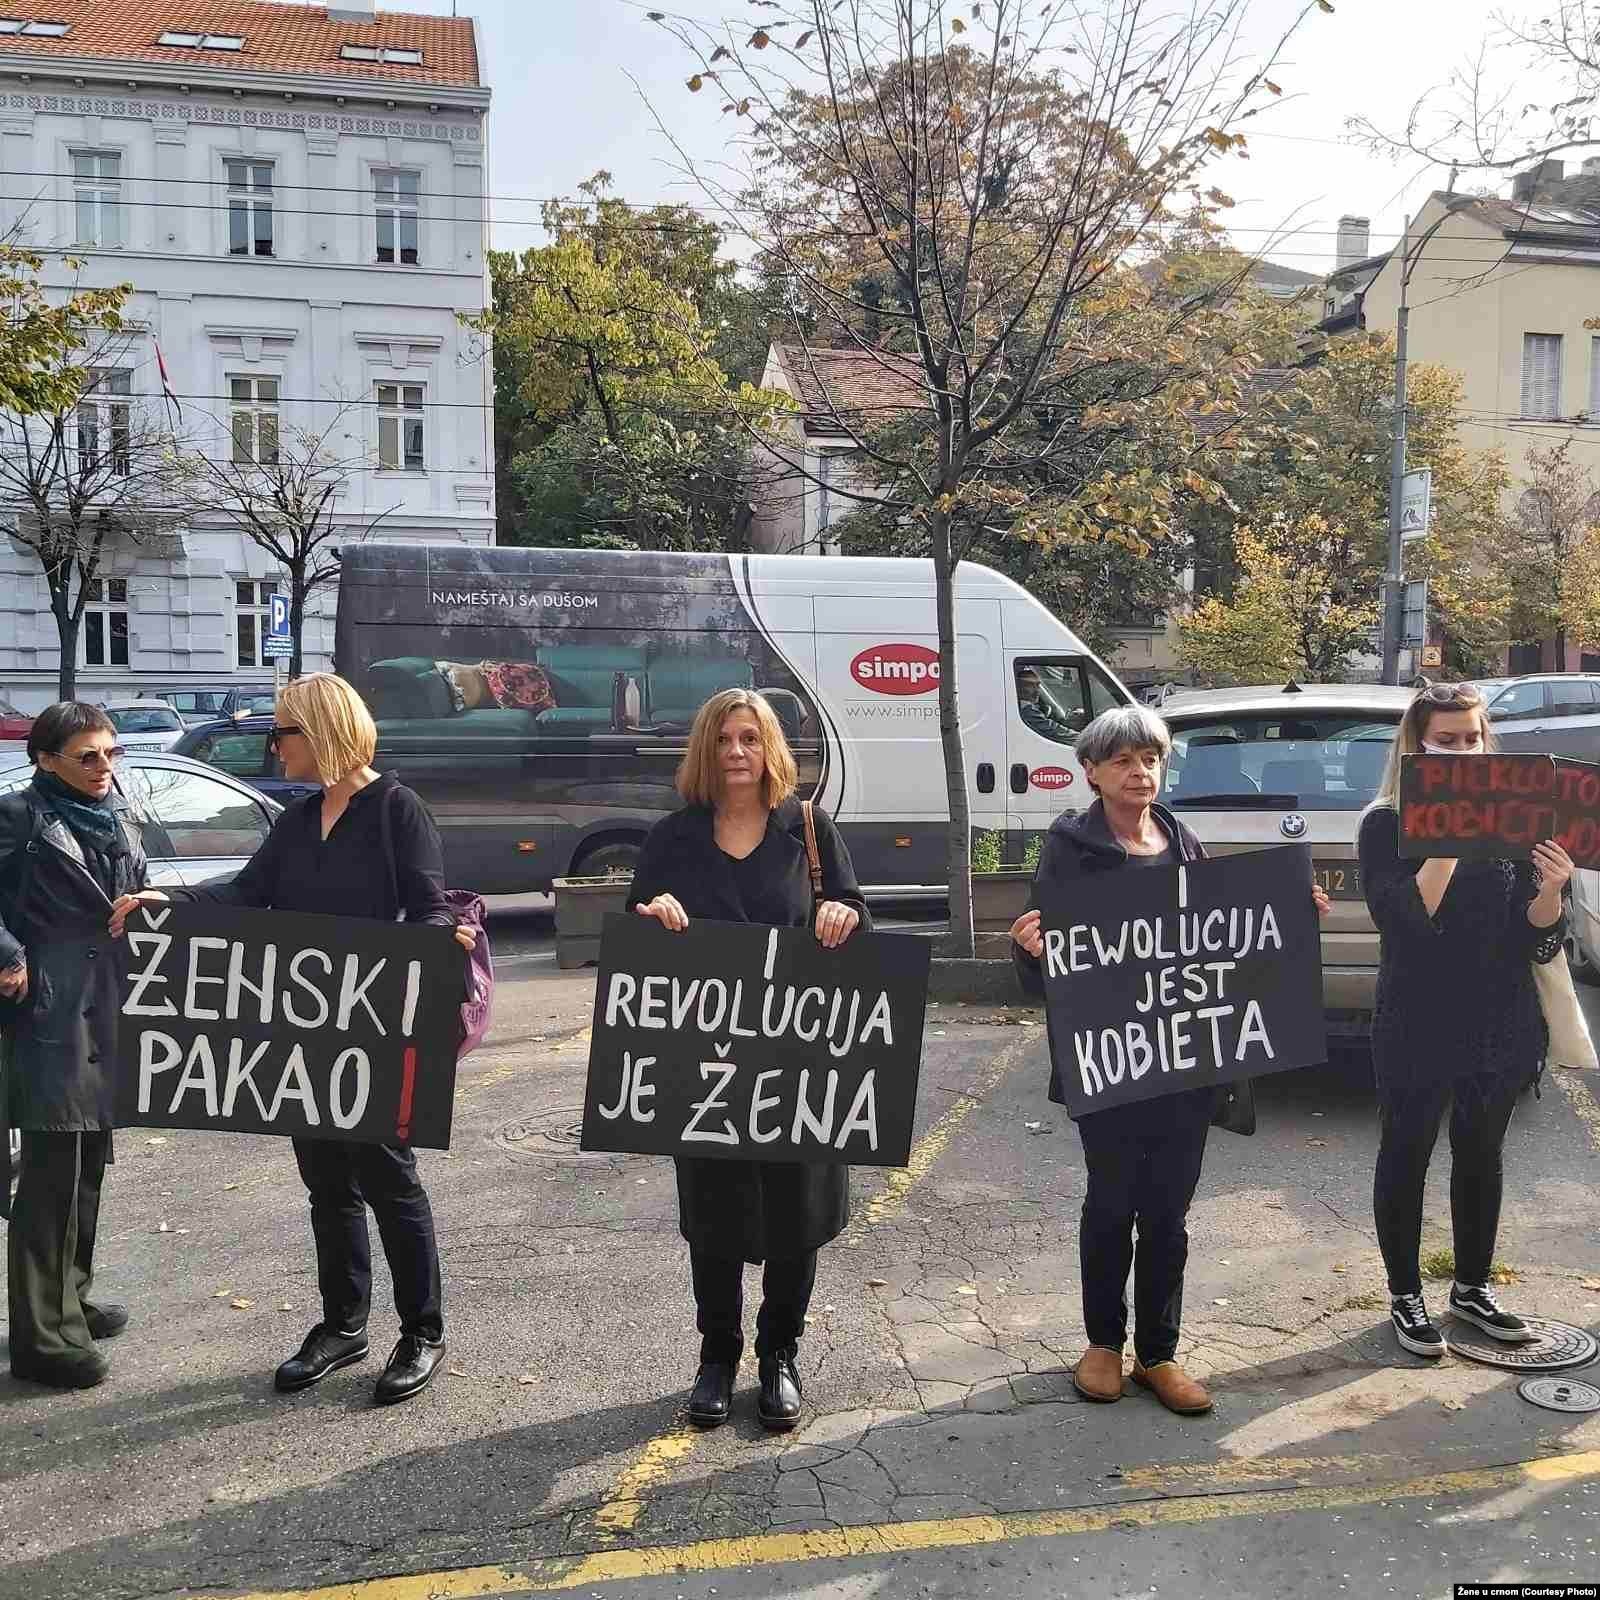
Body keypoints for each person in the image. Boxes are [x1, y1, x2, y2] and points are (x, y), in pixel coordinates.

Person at [110, 674, 476, 1405]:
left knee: (390, 1181)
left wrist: (437, 944)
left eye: (284, 732)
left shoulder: (396, 810)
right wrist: (170, 900)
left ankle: (422, 1331)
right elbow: (249, 894)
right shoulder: (300, 817)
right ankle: (344, 1325)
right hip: (305, 1034)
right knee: (327, 1185)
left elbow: (430, 906)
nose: (274, 745)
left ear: (322, 732)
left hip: (370, 1030)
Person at [1010, 706, 1328, 1416]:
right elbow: (1051, 972)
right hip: (1110, 1061)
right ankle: (1102, 1344)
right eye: (1123, 761)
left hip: (1185, 1063)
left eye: (1150, 759)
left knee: (1168, 1214)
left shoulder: (1182, 839)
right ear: (1092, 772)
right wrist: (1027, 952)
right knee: (1111, 1202)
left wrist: (1291, 918)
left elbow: (1222, 947)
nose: (1139, 772)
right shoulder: (1070, 848)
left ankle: (1158, 1353)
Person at [626, 687, 869, 1432]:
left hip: (796, 1066)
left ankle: (780, 1356)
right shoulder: (672, 839)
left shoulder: (811, 831)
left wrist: (842, 914)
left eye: (751, 739)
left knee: (797, 1210)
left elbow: (859, 923)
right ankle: (717, 1356)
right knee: (714, 1211)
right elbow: (634, 939)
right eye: (725, 739)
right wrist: (651, 918)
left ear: (772, 751)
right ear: (706, 750)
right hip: (705, 1070)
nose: (738, 752)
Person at [1359, 681, 1571, 1357]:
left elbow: (1533, 940)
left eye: (1473, 737)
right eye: (1446, 740)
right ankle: (1404, 1294)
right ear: (1415, 745)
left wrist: (1551, 893)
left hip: (1500, 1021)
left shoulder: (1516, 824)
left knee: (1481, 1157)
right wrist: (1447, 837)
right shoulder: (1382, 824)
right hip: (1418, 1018)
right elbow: (1405, 926)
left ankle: (1471, 1289)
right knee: (1407, 1152)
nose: (1464, 751)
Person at [0, 704, 147, 1389]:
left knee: (89, 1164)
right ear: (45, 758)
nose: (104, 767)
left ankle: (71, 1300)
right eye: (88, 756)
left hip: (107, 1003)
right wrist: (7, 954)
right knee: (51, 1173)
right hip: (48, 1011)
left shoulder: (115, 813)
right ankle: (41, 1338)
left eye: (110, 753)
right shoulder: (18, 818)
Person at [1016, 666, 1078, 741]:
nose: (1037, 690)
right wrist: (1082, 738)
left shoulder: (1026, 707)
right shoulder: (1025, 710)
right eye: (1030, 685)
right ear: (1018, 687)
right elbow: (1054, 730)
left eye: (1037, 685)